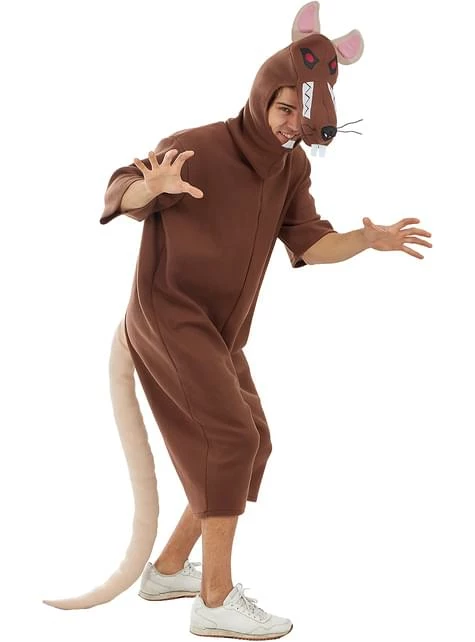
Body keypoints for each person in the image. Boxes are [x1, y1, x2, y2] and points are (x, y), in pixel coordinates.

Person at [43, 3, 431, 639]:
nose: (291, 125)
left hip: (220, 334)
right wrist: (151, 188)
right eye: (284, 109)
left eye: (302, 114)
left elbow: (310, 244)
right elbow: (120, 191)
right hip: (168, 315)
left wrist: (367, 240)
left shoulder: (292, 167)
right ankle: (216, 601)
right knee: (230, 440)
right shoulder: (199, 145)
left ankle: (169, 569)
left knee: (254, 440)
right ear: (262, 94)